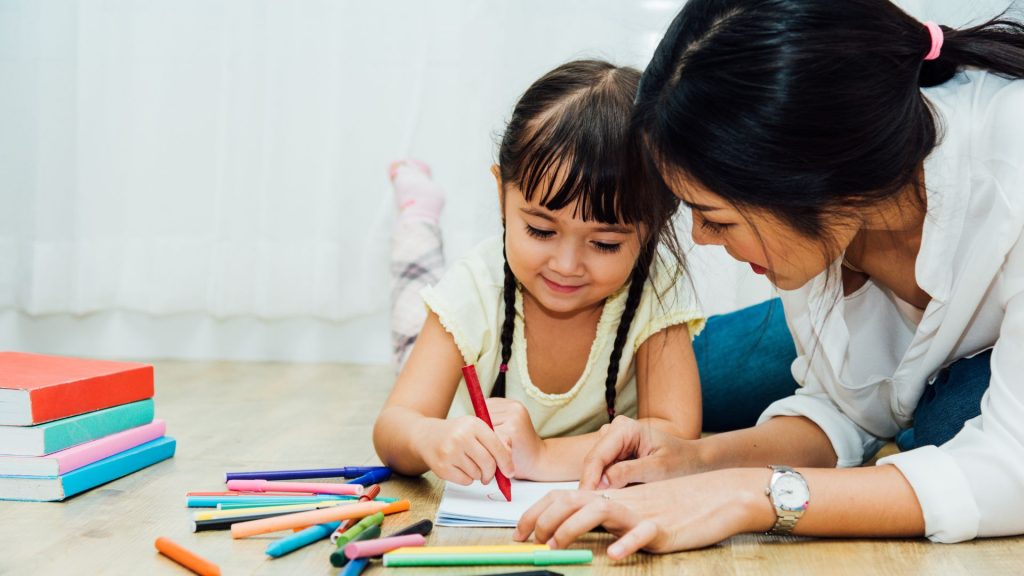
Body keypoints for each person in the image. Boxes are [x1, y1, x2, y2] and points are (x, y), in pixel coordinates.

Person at [513, 0, 1024, 557]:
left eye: (717, 217)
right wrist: (693, 460)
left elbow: (1008, 469)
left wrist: (748, 495)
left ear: (818, 182)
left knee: (946, 418)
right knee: (676, 380)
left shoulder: (1009, 172)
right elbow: (845, 411)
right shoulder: (833, 212)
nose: (702, 239)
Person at [374, 60, 706, 484]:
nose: (566, 266)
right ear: (501, 194)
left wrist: (546, 454)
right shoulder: (474, 288)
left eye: (605, 243)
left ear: (656, 222)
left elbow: (675, 434)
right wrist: (429, 437)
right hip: (457, 339)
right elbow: (394, 424)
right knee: (411, 312)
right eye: (540, 229)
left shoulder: (656, 286)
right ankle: (417, 212)